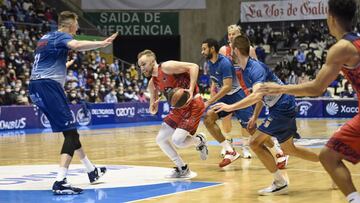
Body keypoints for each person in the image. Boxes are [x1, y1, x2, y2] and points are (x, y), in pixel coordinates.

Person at [258, 0, 360, 202]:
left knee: (328, 156)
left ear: (330, 18)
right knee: (328, 156)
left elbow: (316, 88)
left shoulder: (342, 48)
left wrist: (280, 88)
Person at [212, 34, 319, 195]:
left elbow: (256, 96)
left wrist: (230, 107)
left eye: (230, 50)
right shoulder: (245, 69)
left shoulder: (254, 69)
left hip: (282, 106)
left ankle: (279, 182)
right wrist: (255, 116)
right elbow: (260, 96)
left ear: (235, 50)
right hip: (282, 105)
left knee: (254, 143)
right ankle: (328, 160)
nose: (229, 54)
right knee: (289, 149)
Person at [28, 11, 118, 195]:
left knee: (71, 132)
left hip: (36, 87)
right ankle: (60, 181)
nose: (77, 29)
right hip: (48, 87)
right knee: (70, 134)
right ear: (70, 26)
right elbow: (76, 45)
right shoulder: (61, 36)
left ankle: (91, 170)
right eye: (76, 25)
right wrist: (101, 43)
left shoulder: (45, 37)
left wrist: (63, 66)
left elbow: (44, 61)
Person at [137, 49, 207, 178]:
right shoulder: (152, 83)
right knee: (160, 139)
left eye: (144, 64)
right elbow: (153, 111)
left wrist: (191, 89)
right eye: (139, 66)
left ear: (152, 61)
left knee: (178, 141)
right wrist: (152, 106)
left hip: (193, 104)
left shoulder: (167, 67)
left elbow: (194, 66)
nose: (142, 68)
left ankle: (199, 141)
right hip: (178, 109)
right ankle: (182, 168)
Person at [201, 38, 254, 167]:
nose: (202, 52)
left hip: (238, 96)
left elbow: (227, 87)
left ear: (212, 49)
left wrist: (209, 101)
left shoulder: (224, 63)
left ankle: (278, 150)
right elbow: (217, 83)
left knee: (252, 129)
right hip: (225, 98)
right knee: (208, 119)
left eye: (204, 49)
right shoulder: (209, 63)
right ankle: (230, 151)